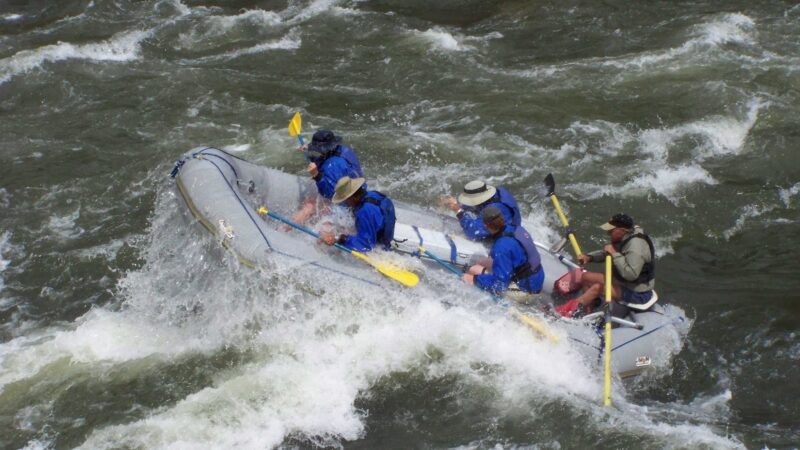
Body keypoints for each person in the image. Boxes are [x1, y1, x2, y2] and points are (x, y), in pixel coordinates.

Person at [554, 213, 656, 318]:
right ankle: (588, 313)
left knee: (598, 288)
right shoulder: (626, 234)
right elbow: (609, 252)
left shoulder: (635, 248)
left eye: (611, 230)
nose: (608, 233)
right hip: (624, 283)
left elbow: (630, 274)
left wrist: (614, 254)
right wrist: (589, 257)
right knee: (586, 277)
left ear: (622, 230)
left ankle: (566, 311)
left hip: (637, 293)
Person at [462, 206, 545, 296]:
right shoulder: (516, 228)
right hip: (536, 278)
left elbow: (500, 284)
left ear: (485, 225)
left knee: (473, 271)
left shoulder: (501, 247)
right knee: (481, 262)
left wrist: (474, 279)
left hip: (526, 290)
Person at [291, 129, 364, 225]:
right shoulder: (343, 151)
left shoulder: (332, 166)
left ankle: (283, 230)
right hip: (358, 195)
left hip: (348, 208)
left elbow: (330, 195)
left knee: (310, 204)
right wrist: (309, 151)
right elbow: (325, 160)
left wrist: (316, 175)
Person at [319, 176, 396, 253]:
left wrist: (339, 238)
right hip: (385, 238)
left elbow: (366, 246)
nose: (345, 203)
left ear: (352, 197)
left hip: (379, 250)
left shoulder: (364, 212)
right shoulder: (373, 194)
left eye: (345, 200)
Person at [443, 180, 522, 241]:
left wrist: (459, 211)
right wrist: (459, 205)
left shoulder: (493, 210)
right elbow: (477, 205)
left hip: (506, 236)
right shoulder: (495, 195)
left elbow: (473, 233)